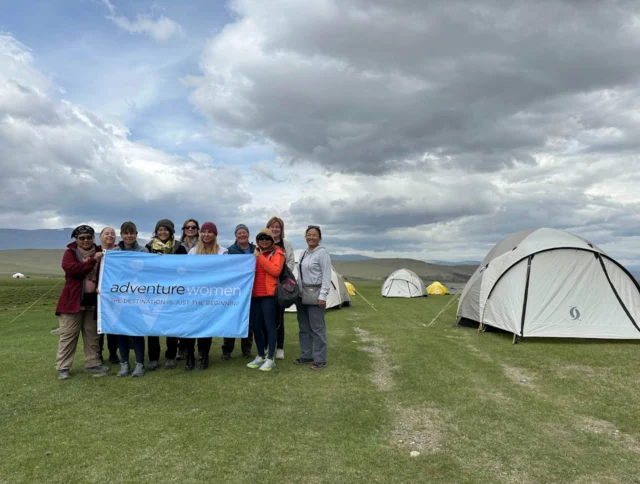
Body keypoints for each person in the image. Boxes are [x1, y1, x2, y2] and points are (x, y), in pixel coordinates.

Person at [54, 225, 109, 380]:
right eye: (82, 238)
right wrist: (92, 261)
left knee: (92, 334)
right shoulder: (70, 253)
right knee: (69, 335)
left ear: (93, 238)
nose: (86, 240)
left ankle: (93, 363)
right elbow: (73, 270)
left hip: (93, 300)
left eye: (89, 237)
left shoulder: (102, 252)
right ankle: (63, 367)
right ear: (76, 240)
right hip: (72, 301)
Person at [145, 219, 187, 371]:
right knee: (152, 326)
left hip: (173, 292)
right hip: (154, 292)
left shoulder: (179, 248)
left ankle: (170, 356)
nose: (162, 232)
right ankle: (153, 358)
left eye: (166, 230)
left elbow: (185, 269)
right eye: (159, 230)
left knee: (171, 325)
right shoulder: (149, 248)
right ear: (156, 232)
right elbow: (145, 270)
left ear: (171, 232)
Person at [184, 221, 227, 370]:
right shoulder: (193, 252)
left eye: (210, 232)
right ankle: (189, 356)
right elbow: (187, 272)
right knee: (191, 326)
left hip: (212, 296)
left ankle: (204, 355)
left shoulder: (223, 252)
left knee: (206, 327)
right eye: (204, 232)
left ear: (215, 234)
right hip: (194, 295)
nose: (206, 235)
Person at [112, 221, 149, 377]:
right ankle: (124, 364)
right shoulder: (114, 252)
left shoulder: (144, 251)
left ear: (136, 234)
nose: (129, 236)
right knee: (121, 331)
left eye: (131, 232)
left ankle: (139, 364)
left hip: (138, 297)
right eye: (125, 233)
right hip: (119, 297)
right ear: (121, 235)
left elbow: (148, 273)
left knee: (137, 331)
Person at [246, 228, 285, 372]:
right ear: (257, 240)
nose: (264, 240)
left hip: (269, 296)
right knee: (256, 327)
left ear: (272, 240)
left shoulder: (278, 253)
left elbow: (275, 271)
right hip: (254, 296)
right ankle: (261, 355)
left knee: (269, 326)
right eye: (261, 238)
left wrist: (260, 257)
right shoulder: (253, 254)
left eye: (267, 238)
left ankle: (270, 358)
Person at [295, 225, 331, 370]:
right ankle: (306, 355)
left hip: (316, 294)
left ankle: (320, 359)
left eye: (314, 235)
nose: (311, 237)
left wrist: (323, 295)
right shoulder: (303, 253)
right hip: (302, 294)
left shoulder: (322, 254)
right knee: (304, 327)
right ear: (305, 236)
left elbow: (327, 275)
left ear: (319, 237)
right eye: (309, 235)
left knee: (317, 328)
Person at [222, 224, 256, 359]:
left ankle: (246, 350)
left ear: (248, 234)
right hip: (235, 290)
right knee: (231, 319)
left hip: (250, 290)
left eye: (244, 233)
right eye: (239, 233)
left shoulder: (255, 249)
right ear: (235, 235)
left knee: (249, 322)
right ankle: (227, 350)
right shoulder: (230, 251)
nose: (242, 235)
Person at [266, 217, 295, 360]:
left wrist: (281, 272)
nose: (275, 229)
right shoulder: (263, 242)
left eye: (277, 227)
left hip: (280, 287)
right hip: (266, 286)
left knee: (279, 318)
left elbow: (290, 262)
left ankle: (280, 347)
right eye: (272, 226)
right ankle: (266, 346)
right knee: (266, 318)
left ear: (281, 229)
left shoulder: (286, 244)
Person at [177, 219, 200, 360]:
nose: (190, 229)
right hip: (180, 286)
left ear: (197, 229)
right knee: (181, 319)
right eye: (187, 227)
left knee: (196, 318)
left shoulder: (202, 245)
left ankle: (197, 350)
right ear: (184, 229)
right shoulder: (177, 246)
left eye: (193, 227)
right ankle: (182, 348)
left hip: (197, 286)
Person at [97, 226, 119, 364]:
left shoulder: (120, 252)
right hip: (98, 294)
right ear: (100, 237)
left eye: (112, 234)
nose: (110, 236)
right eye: (106, 233)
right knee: (99, 325)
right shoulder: (95, 252)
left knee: (113, 325)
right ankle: (98, 353)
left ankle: (113, 353)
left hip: (116, 294)